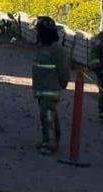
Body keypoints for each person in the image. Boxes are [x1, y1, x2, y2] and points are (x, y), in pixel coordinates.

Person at [31, 16, 70, 154]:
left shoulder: (57, 50)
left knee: (47, 116)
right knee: (49, 115)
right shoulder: (44, 48)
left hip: (50, 90)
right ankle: (50, 140)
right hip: (42, 90)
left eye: (38, 31)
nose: (36, 34)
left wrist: (63, 84)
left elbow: (64, 70)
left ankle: (50, 144)